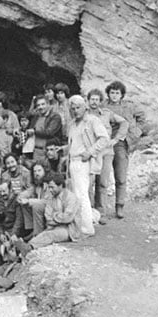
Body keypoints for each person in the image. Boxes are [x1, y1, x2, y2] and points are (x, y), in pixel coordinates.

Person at [67, 95, 109, 236]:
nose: (75, 111)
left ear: (85, 106)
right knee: (77, 194)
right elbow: (74, 144)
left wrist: (90, 152)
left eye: (78, 107)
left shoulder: (92, 120)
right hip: (73, 161)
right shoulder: (73, 124)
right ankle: (88, 219)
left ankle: (86, 229)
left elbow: (104, 138)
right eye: (73, 109)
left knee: (81, 195)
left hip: (83, 162)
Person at [105, 81, 146, 218]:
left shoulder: (129, 106)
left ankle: (119, 205)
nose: (114, 96)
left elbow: (142, 116)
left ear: (122, 94)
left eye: (117, 93)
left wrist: (137, 132)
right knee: (101, 176)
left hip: (121, 143)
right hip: (104, 143)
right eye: (112, 92)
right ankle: (100, 207)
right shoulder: (103, 106)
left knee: (120, 175)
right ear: (108, 94)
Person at [87, 88, 128, 221]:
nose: (94, 102)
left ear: (100, 101)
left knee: (103, 182)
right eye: (92, 99)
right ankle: (89, 211)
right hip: (91, 152)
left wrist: (116, 139)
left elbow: (124, 122)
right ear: (88, 101)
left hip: (106, 152)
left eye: (97, 99)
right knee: (89, 183)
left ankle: (101, 212)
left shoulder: (106, 113)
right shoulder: (84, 114)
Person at [15, 174, 82, 254]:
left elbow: (68, 218)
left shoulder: (71, 197)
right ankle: (25, 248)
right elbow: (48, 217)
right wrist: (58, 217)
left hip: (69, 230)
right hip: (55, 226)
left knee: (50, 235)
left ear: (60, 185)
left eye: (52, 187)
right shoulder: (51, 197)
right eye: (49, 187)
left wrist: (54, 216)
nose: (50, 190)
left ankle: (28, 248)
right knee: (42, 234)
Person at [17, 162, 52, 237]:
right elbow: (29, 191)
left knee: (35, 205)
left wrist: (29, 201)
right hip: (41, 208)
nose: (36, 173)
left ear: (45, 171)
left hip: (51, 210)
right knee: (24, 203)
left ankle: (38, 233)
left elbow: (48, 202)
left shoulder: (50, 183)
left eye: (39, 171)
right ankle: (31, 229)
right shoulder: (38, 184)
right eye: (35, 171)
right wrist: (21, 196)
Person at [27, 94, 63, 161]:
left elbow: (49, 132)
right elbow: (29, 130)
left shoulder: (55, 117)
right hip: (36, 152)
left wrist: (34, 131)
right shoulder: (35, 117)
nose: (41, 107)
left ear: (48, 104)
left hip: (49, 152)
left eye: (43, 104)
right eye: (38, 105)